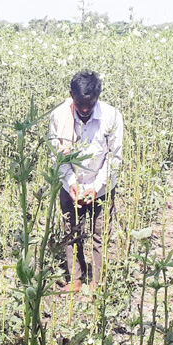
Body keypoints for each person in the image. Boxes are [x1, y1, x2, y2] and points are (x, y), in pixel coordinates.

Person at [48, 69, 124, 293]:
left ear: (97, 97)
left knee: (100, 235)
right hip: (69, 185)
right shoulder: (59, 116)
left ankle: (98, 285)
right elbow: (57, 157)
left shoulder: (112, 117)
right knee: (71, 232)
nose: (83, 109)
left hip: (101, 186)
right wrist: (71, 182)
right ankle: (76, 279)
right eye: (79, 103)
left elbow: (114, 158)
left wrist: (95, 187)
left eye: (89, 104)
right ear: (71, 95)